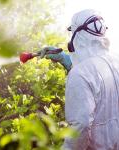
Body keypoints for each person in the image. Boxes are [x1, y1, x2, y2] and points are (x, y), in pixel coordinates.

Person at [40, 9, 119, 150]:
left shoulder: (80, 74)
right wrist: (66, 60)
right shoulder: (115, 62)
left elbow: (80, 126)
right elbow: (97, 78)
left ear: (78, 37)